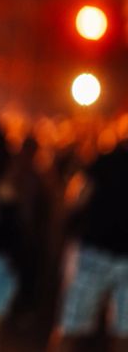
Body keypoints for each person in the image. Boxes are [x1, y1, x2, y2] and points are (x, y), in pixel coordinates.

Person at [52, 138, 128, 352]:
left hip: (95, 251)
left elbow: (79, 199)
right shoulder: (106, 160)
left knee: (71, 327)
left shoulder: (106, 161)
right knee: (124, 333)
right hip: (106, 252)